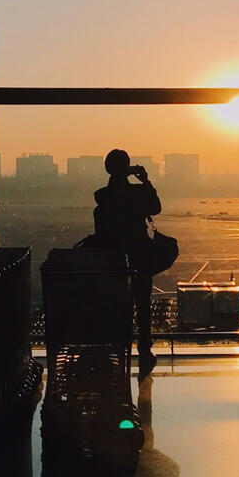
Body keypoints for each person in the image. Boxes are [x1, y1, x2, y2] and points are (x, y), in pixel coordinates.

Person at [91, 148, 163, 375]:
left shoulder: (102, 196)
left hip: (112, 259)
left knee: (116, 306)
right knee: (142, 305)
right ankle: (144, 349)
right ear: (128, 167)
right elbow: (156, 209)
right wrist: (146, 181)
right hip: (139, 255)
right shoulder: (139, 194)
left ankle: (116, 349)